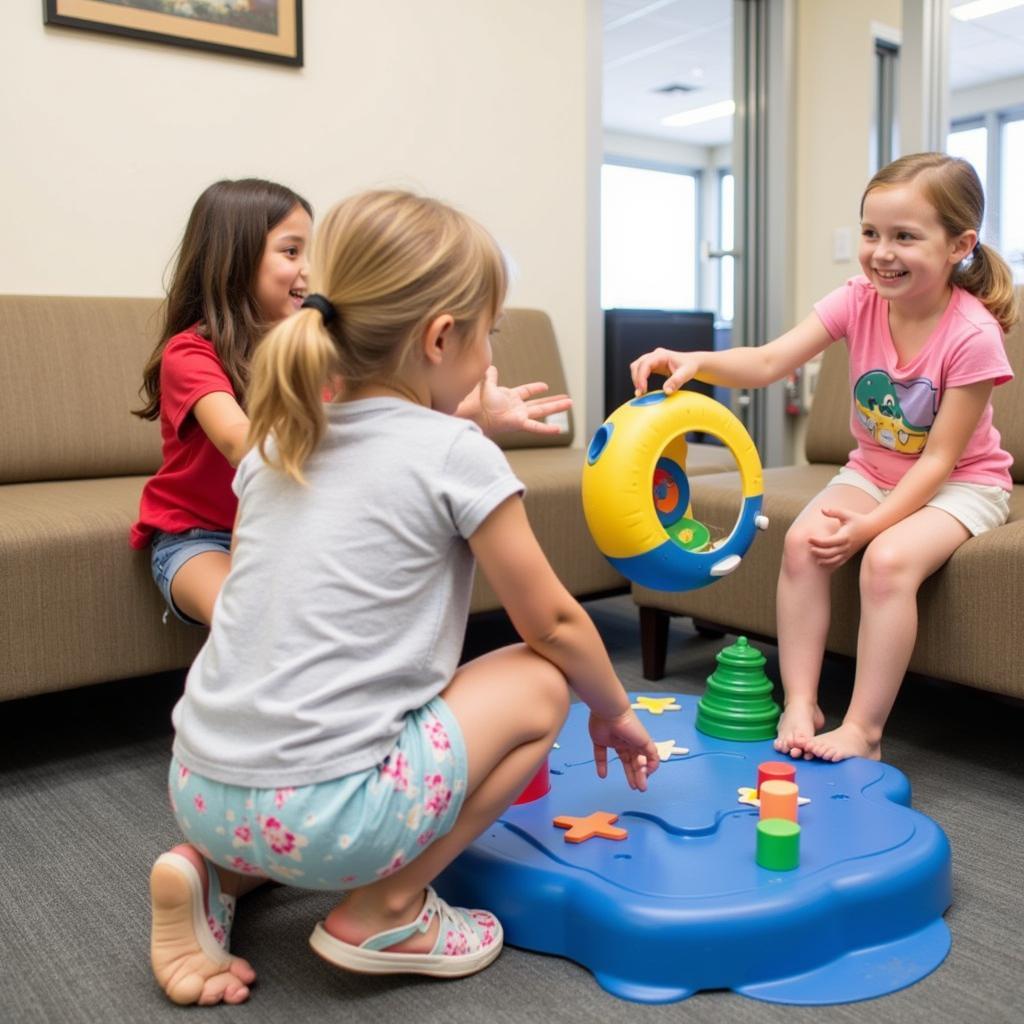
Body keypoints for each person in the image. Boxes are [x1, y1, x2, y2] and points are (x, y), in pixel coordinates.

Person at [149, 189, 660, 1006]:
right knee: (542, 681)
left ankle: (211, 873)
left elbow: (258, 598)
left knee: (287, 759)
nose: (491, 348)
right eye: (491, 332)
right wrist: (613, 709)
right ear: (441, 337)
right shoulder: (455, 453)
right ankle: (386, 909)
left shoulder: (279, 439)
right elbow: (557, 622)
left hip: (200, 787)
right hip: (335, 815)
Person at [630, 152, 1016, 764]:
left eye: (904, 237)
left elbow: (941, 460)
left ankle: (864, 730)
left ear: (958, 245)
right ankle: (802, 701)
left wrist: (872, 526)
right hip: (873, 470)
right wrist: (697, 361)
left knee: (885, 562)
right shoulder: (858, 299)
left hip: (963, 484)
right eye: (870, 233)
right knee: (802, 542)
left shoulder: (972, 335)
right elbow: (765, 362)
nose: (881, 252)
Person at [131, 179, 572, 627]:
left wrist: (474, 414)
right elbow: (239, 443)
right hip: (199, 537)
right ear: (235, 260)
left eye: (310, 253)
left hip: (290, 523)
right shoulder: (191, 352)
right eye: (290, 252)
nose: (307, 269)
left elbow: (377, 419)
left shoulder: (318, 346)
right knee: (247, 618)